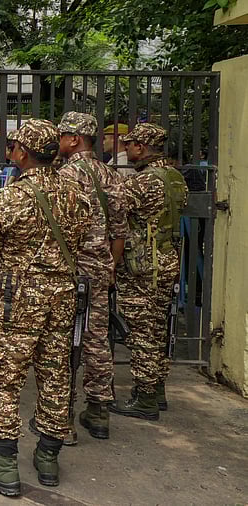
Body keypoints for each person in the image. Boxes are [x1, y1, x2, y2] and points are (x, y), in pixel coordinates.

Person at [0, 119, 89, 496]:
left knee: (4, 372)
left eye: (14, 146)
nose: (10, 152)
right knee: (55, 372)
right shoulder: (76, 194)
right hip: (63, 294)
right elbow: (82, 241)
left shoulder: (10, 197)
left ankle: (5, 464)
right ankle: (48, 457)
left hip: (16, 297)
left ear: (24, 152)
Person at [54, 112, 127, 443]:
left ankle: (62, 419)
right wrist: (111, 266)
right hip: (99, 270)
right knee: (97, 341)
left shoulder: (63, 176)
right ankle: (98, 414)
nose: (57, 141)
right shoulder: (110, 175)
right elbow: (120, 230)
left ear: (74, 139)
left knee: (64, 343)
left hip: (69, 271)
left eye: (61, 135)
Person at [108, 123, 188, 421]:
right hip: (167, 262)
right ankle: (157, 389)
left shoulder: (142, 182)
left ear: (140, 147)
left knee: (141, 333)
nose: (126, 151)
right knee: (157, 328)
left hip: (142, 266)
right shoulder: (176, 178)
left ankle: (145, 399)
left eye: (128, 145)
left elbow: (113, 209)